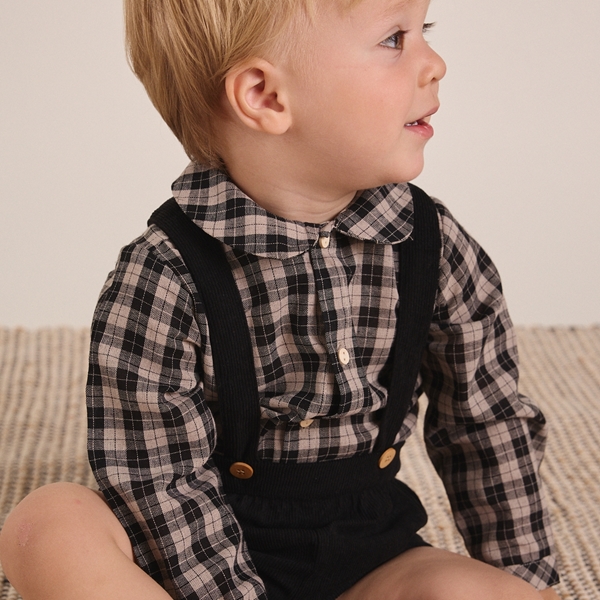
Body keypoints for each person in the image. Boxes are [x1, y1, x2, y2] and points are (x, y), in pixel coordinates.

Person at [0, 0, 562, 598]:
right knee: (47, 526)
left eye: (423, 30)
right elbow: (157, 480)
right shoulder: (165, 275)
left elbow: (487, 425)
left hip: (369, 551)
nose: (436, 63)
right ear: (266, 96)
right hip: (190, 554)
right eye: (395, 39)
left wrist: (527, 579)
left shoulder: (430, 245)